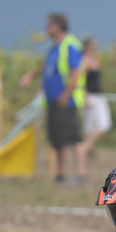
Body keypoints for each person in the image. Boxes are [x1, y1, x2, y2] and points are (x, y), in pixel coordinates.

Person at [20, 13, 87, 184]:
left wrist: (65, 95)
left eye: (49, 25)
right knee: (57, 139)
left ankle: (80, 173)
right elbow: (48, 68)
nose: (46, 29)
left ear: (57, 26)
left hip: (66, 101)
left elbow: (75, 71)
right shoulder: (54, 48)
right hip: (53, 101)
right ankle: (60, 174)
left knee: (74, 137)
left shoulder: (69, 45)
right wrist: (32, 75)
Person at [81, 37, 112, 157]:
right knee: (96, 125)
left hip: (99, 96)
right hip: (90, 97)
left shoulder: (96, 61)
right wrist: (84, 96)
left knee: (99, 125)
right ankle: (87, 147)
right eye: (93, 45)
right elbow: (80, 80)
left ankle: (87, 147)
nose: (95, 47)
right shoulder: (85, 61)